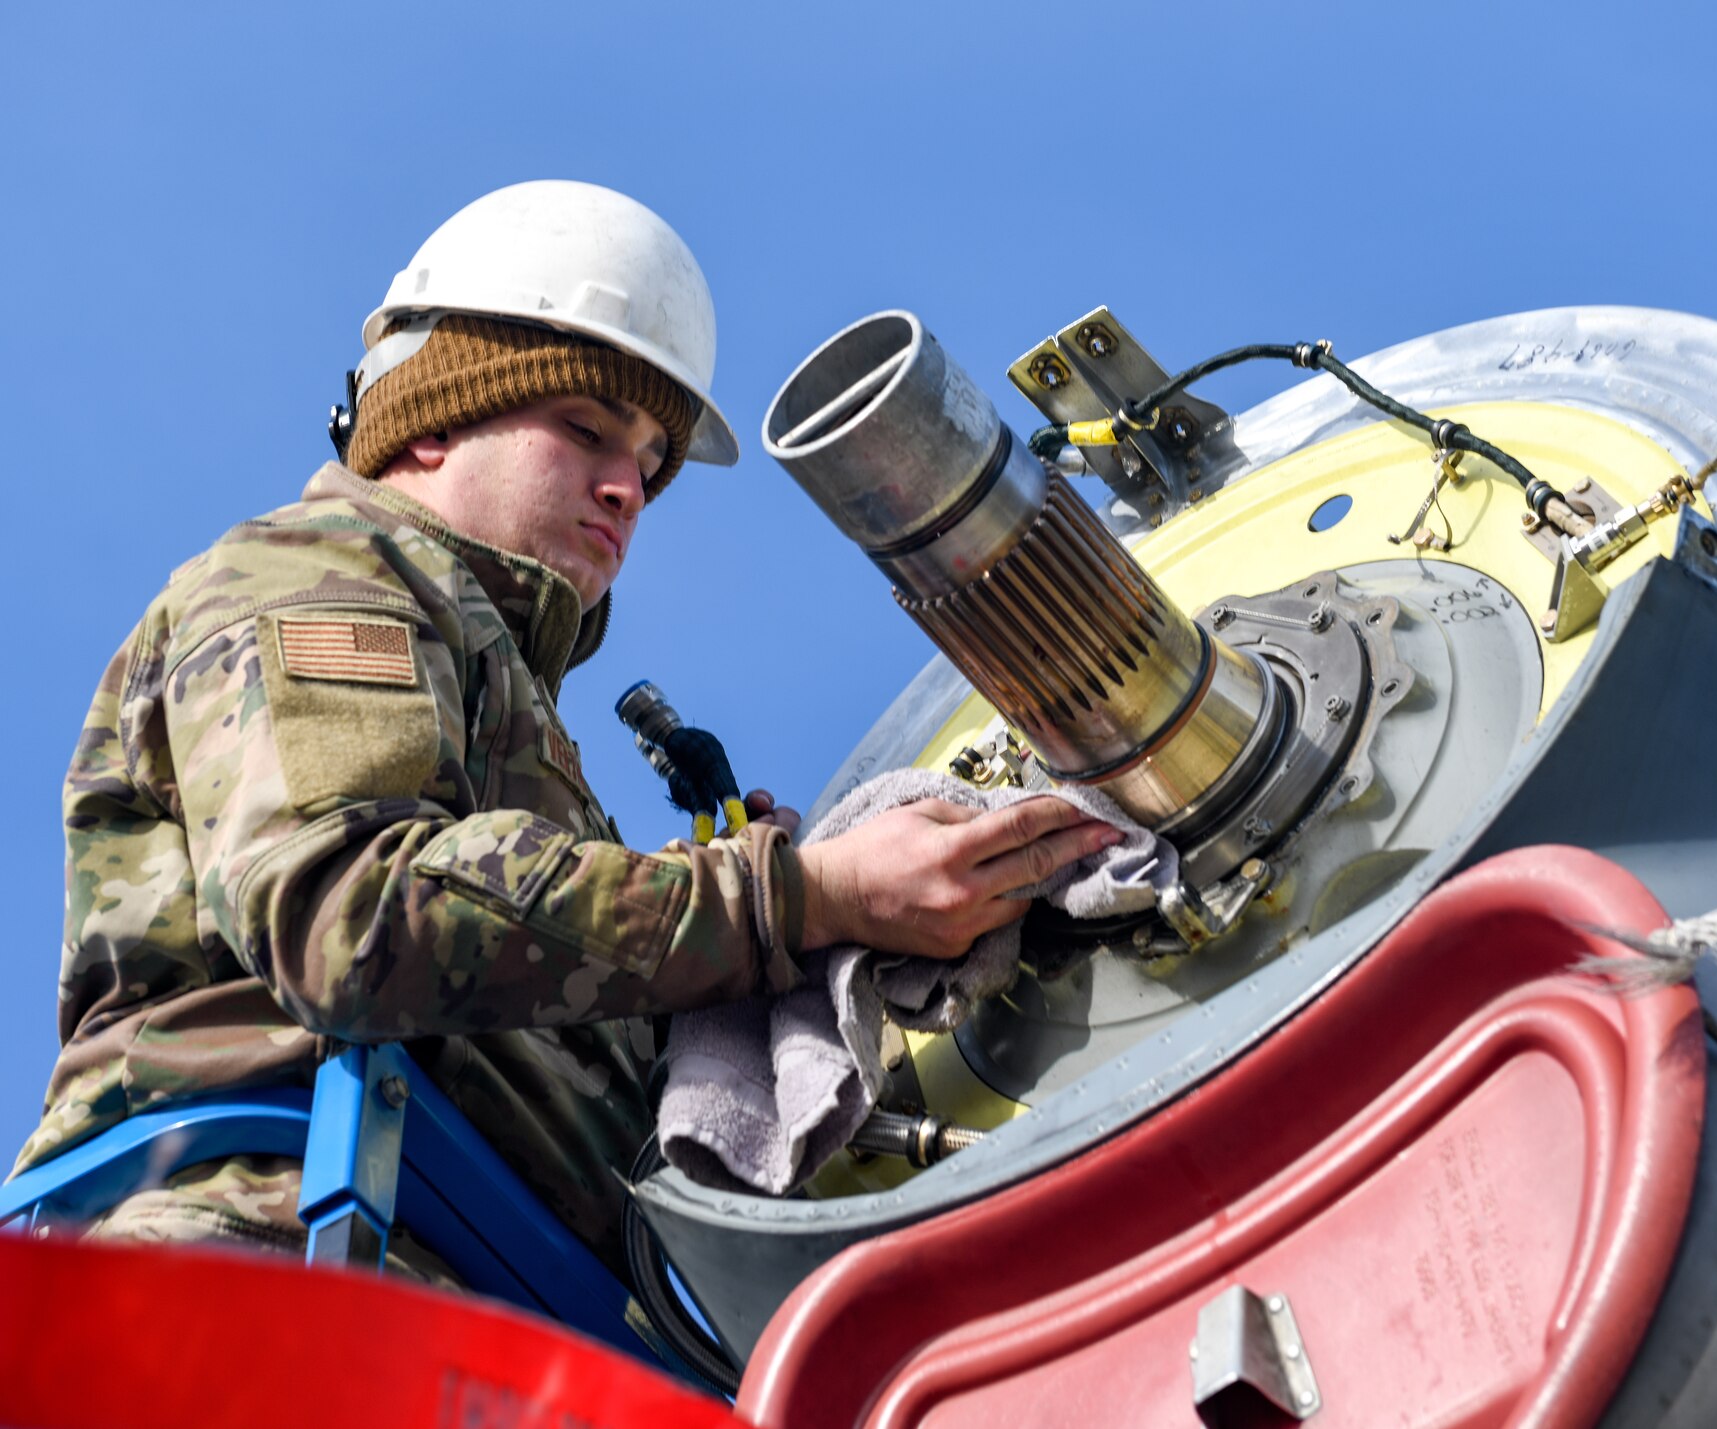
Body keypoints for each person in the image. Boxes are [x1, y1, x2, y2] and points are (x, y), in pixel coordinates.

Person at [13, 180, 1116, 1280]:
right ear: (434, 422)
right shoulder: (321, 571)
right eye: (586, 429)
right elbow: (354, 908)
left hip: (481, 1302)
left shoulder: (494, 692)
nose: (628, 487)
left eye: (651, 463)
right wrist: (797, 897)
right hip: (272, 1267)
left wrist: (766, 949)